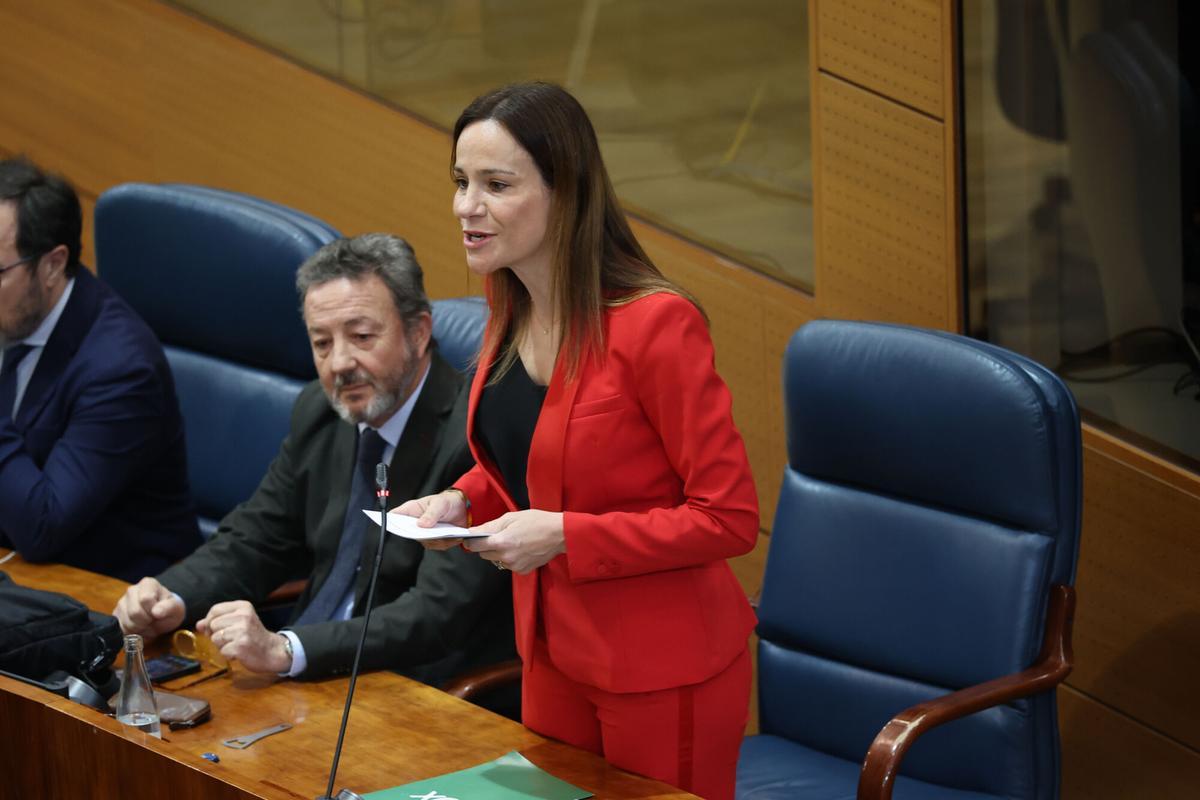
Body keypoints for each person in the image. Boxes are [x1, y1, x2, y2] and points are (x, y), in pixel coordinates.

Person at [398, 83, 759, 799]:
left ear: (565, 193)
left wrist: (565, 535)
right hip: (549, 649)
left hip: (662, 666)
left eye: (496, 185)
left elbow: (729, 518)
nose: (467, 207)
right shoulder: (510, 302)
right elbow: (531, 463)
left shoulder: (657, 325)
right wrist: (458, 500)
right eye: (461, 182)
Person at [113, 234, 515, 688]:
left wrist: (285, 650)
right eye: (321, 343)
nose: (339, 363)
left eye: (362, 337)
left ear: (419, 332)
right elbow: (257, 540)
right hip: (307, 673)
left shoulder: (476, 435)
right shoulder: (322, 411)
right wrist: (171, 596)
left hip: (413, 687)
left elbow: (434, 615)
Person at [0, 157, 201, 581]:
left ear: (53, 265)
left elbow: (43, 526)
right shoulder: (15, 313)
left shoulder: (121, 369)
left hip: (107, 598)